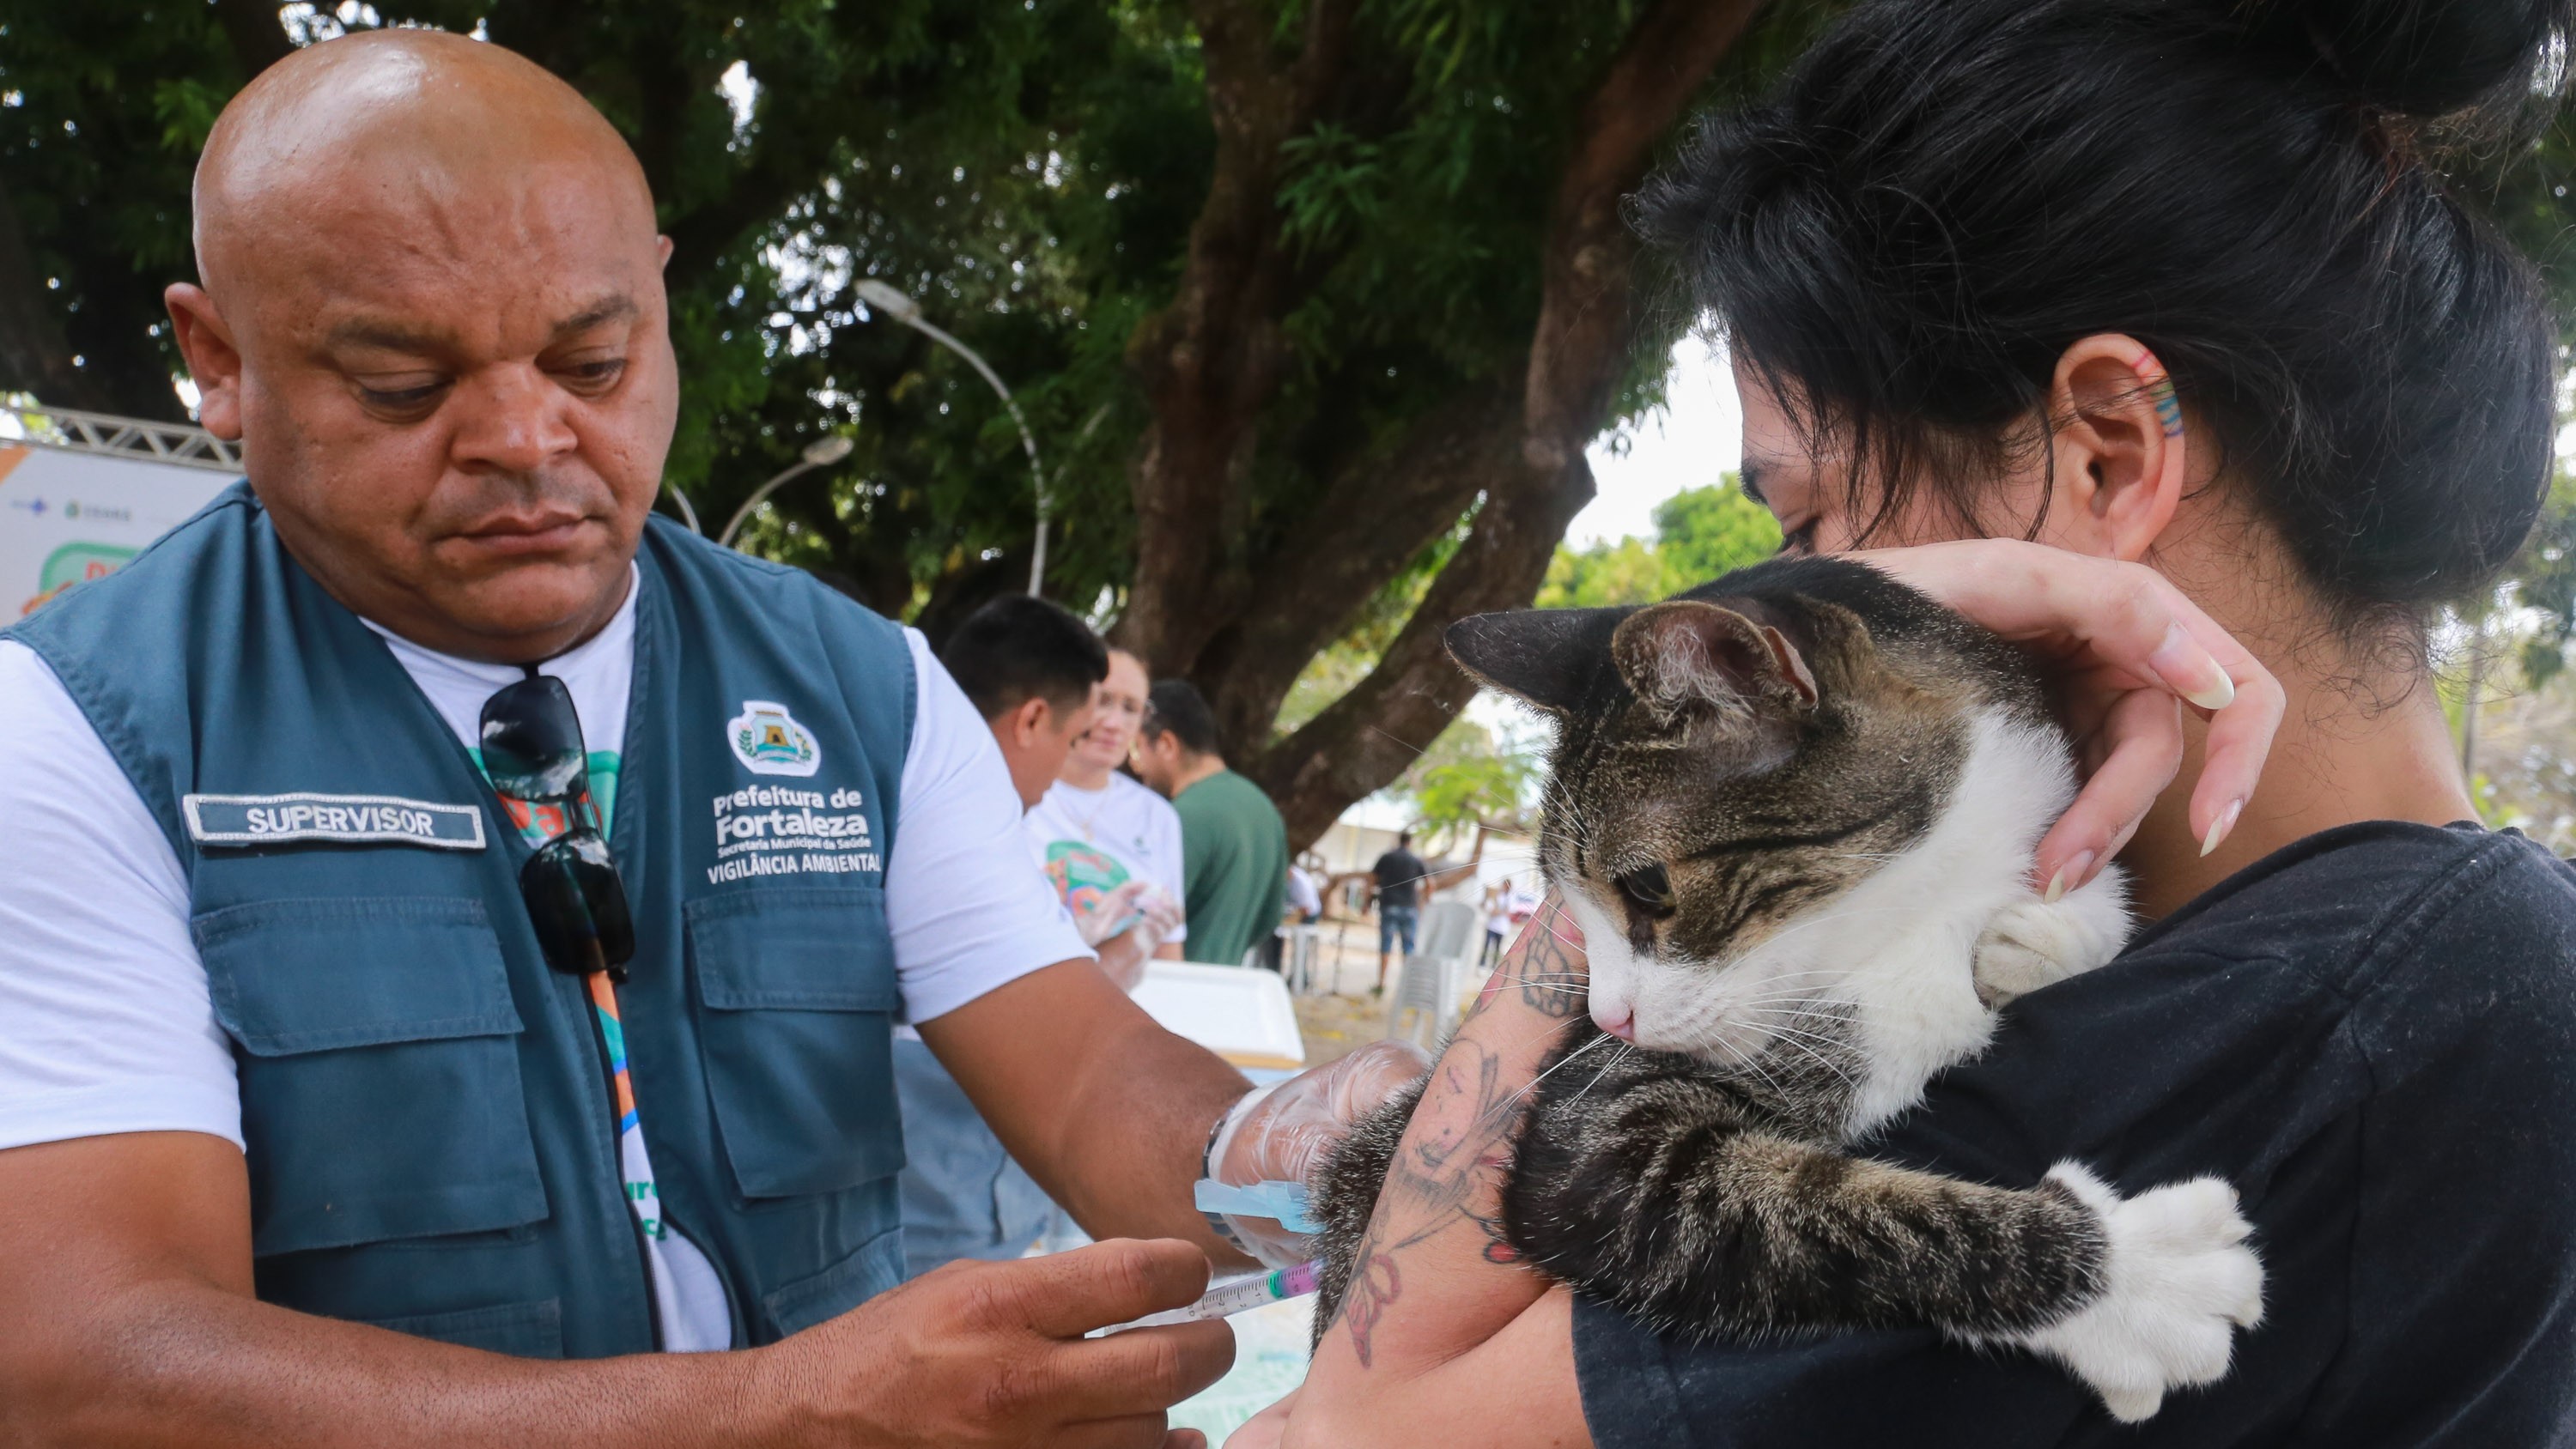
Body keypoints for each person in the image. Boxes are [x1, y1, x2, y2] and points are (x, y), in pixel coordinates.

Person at [0, 33, 1419, 1449]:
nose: (520, 433)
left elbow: (1089, 1072)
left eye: (592, 357)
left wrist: (1320, 1156)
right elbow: (92, 1358)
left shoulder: (858, 684)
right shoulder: (83, 729)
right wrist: (790, 1410)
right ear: (219, 360)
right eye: (398, 381)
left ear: (661, 306)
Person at [1241, 0, 2576, 1444]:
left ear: (2107, 455)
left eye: (1810, 520)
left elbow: (1345, 1426)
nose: (1808, 587)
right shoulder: (2400, 951)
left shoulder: (2271, 1024)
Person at [893, 593, 1109, 1280]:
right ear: (1033, 719)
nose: (1067, 767)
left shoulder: (883, 802)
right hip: (936, 1231)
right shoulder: (953, 842)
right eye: (1073, 741)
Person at [1026, 645, 1189, 991]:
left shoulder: (1157, 817)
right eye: (1102, 701)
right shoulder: (1019, 790)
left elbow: (1168, 950)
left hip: (1119, 1014)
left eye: (1131, 708)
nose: (1114, 723)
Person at [1130, 679, 1288, 970]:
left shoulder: (1178, 819)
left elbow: (1137, 924)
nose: (1138, 768)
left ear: (1166, 745)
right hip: (1222, 992)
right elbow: (1268, 919)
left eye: (1138, 750)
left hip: (1166, 991)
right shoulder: (1264, 810)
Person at [1369, 830, 1431, 991]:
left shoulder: (1387, 857)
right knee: (1408, 947)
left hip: (1389, 905)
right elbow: (1429, 883)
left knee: (1385, 946)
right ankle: (1407, 985)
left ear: (1399, 841)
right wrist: (1425, 900)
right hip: (1409, 908)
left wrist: (1366, 902)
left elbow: (1372, 879)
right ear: (1410, 842)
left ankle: (1381, 982)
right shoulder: (1416, 860)